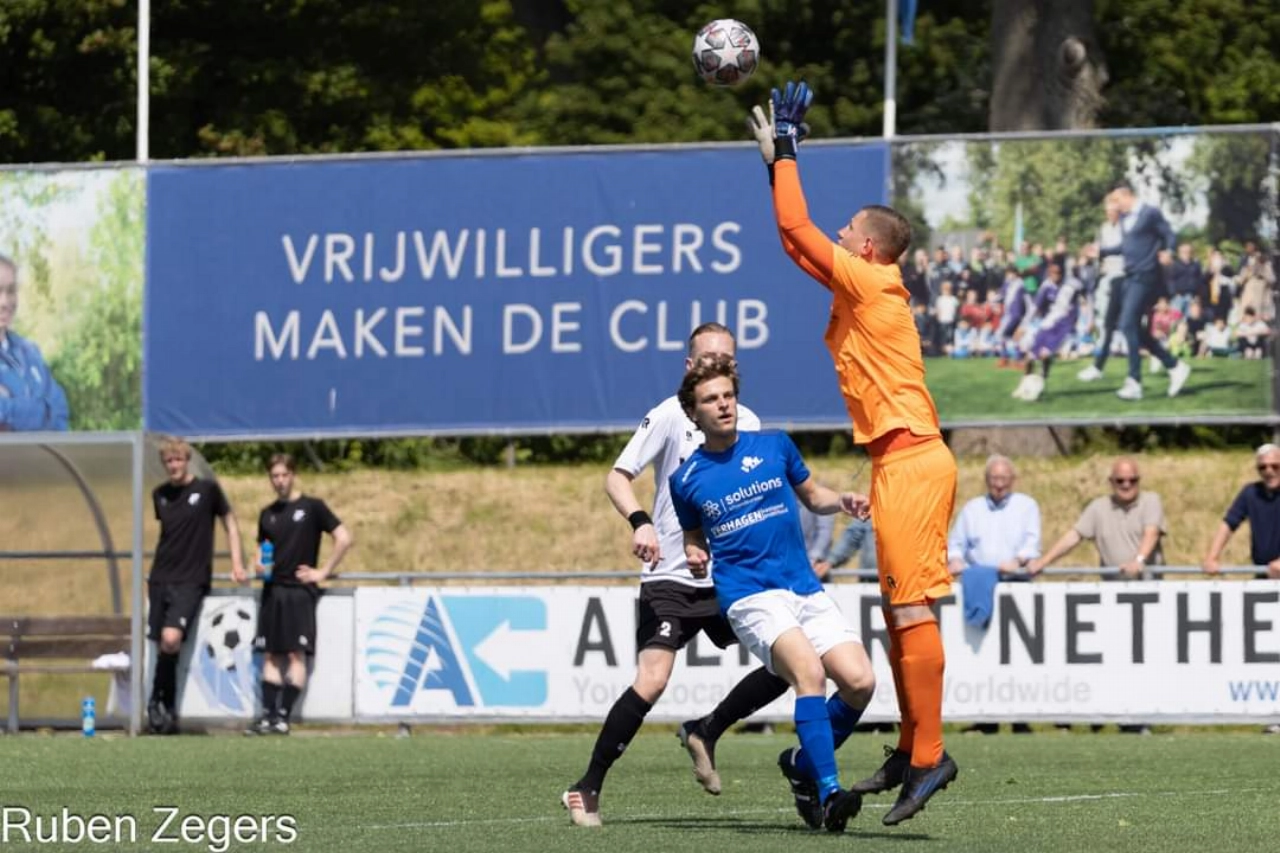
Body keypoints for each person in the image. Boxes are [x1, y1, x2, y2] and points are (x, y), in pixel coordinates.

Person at [748, 81, 958, 827]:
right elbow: (793, 237)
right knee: (900, 609)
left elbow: (798, 225)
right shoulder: (865, 284)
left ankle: (930, 754)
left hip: (913, 460)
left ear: (867, 247)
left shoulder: (869, 282)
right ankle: (912, 746)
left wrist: (788, 149)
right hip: (897, 461)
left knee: (910, 608)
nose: (837, 234)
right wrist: (775, 164)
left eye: (848, 230)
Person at [561, 323, 791, 828]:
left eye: (727, 361)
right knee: (653, 680)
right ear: (690, 367)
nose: (719, 368)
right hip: (671, 576)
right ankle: (587, 788)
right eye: (709, 360)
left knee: (792, 662)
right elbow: (617, 477)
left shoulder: (750, 422)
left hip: (729, 576)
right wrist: (641, 522)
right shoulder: (670, 414)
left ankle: (707, 729)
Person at [670, 355, 873, 833]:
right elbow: (693, 536)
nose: (723, 405)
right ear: (693, 413)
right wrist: (695, 552)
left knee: (860, 682)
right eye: (710, 400)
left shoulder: (775, 444)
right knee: (809, 673)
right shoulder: (687, 479)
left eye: (728, 395)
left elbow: (814, 496)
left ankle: (802, 767)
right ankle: (829, 792)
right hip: (749, 595)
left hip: (801, 585)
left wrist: (842, 501)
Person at [247, 453, 353, 735]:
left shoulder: (312, 507)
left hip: (299, 592)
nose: (280, 481)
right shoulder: (267, 514)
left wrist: (323, 571)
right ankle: (267, 717)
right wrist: (258, 565)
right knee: (270, 655)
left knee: (296, 655)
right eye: (275, 476)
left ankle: (284, 717)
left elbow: (344, 538)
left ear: (293, 475)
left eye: (284, 475)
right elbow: (261, 551)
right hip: (272, 591)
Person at [146, 436, 247, 734]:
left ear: (187, 460)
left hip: (191, 579)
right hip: (161, 577)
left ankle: (156, 700)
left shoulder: (207, 490)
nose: (173, 465)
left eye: (178, 460)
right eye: (168, 461)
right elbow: (168, 536)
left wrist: (237, 562)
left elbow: (230, 523)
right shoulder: (160, 495)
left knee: (171, 638)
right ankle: (167, 711)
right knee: (163, 644)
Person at [946, 455, 1040, 734]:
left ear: (1013, 480)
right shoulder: (972, 509)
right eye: (994, 479)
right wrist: (956, 560)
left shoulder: (1027, 506)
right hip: (979, 585)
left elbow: (1032, 543)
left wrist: (1018, 560)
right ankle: (986, 718)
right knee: (983, 651)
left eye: (1004, 479)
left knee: (1017, 655)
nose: (999, 484)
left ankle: (1020, 719)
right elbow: (955, 543)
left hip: (1015, 586)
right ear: (987, 480)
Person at [1100, 182, 1192, 401]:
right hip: (1130, 276)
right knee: (1133, 328)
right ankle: (1175, 366)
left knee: (1126, 324)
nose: (1115, 206)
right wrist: (1102, 251)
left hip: (1146, 276)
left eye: (1116, 201)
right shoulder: (1125, 219)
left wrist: (1169, 250)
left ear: (1126, 196)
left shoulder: (1150, 213)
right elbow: (1126, 246)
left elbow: (1169, 233)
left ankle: (1134, 382)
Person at [1030, 458, 1165, 580]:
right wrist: (1043, 562)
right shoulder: (1098, 507)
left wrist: (1138, 561)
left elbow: (1151, 533)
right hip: (1113, 585)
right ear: (1111, 481)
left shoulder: (1151, 501)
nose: (1126, 485)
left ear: (1139, 481)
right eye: (1120, 481)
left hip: (1148, 584)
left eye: (1132, 480)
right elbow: (1074, 536)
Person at [0, 254, 70, 431]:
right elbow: (48, 415)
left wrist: (8, 407)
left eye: (11, 291)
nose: (4, 302)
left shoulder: (30, 354)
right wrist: (40, 410)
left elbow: (60, 414)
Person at [1202, 444, 1280, 581]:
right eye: (1263, 467)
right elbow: (1228, 524)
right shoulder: (1250, 493)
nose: (1269, 471)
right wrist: (1212, 557)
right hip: (1263, 573)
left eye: (1275, 466)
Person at [1012, 264, 1085, 401]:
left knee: (1045, 355)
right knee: (1029, 356)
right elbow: (1034, 308)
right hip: (1046, 325)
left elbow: (1086, 297)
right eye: (1053, 273)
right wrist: (1023, 326)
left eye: (1058, 272)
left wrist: (1085, 318)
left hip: (1062, 328)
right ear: (1049, 274)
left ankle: (1040, 384)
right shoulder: (1046, 286)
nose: (1056, 275)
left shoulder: (1072, 286)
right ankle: (1024, 384)